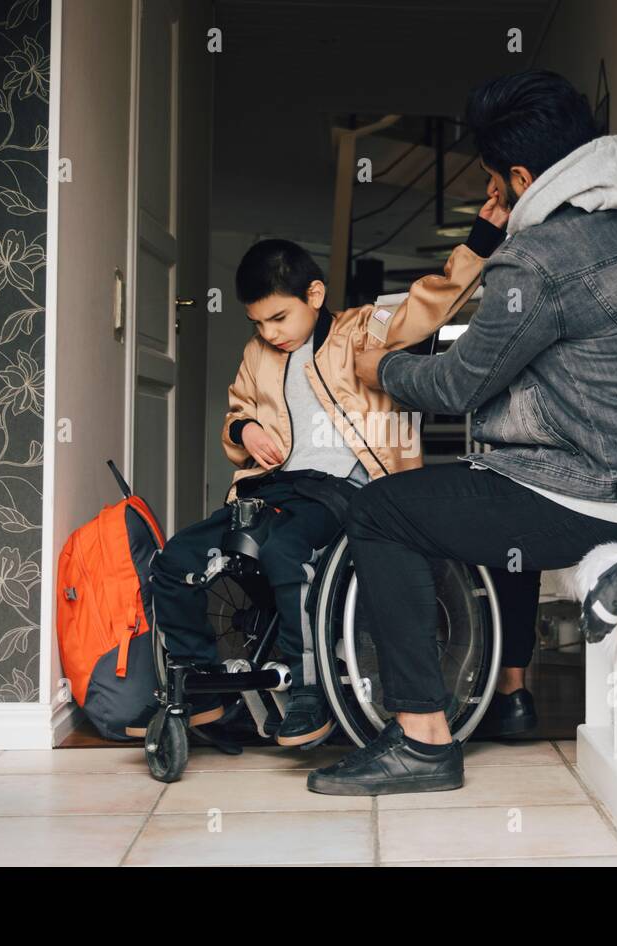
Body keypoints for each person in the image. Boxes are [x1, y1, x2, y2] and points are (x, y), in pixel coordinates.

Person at [307, 69, 617, 795]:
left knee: (382, 512)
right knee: (492, 480)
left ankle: (422, 740)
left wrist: (384, 366)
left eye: (499, 182)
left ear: (523, 175)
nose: (494, 195)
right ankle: (512, 693)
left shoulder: (539, 260)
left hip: (609, 492)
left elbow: (456, 387)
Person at [149, 201, 506, 746]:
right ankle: (206, 685)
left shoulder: (359, 332)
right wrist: (244, 432)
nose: (270, 333)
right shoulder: (257, 354)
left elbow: (427, 305)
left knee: (283, 553)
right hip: (272, 491)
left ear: (314, 296)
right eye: (258, 323)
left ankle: (307, 689)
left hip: (343, 493)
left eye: (279, 318)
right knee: (175, 559)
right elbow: (238, 408)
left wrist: (481, 238)